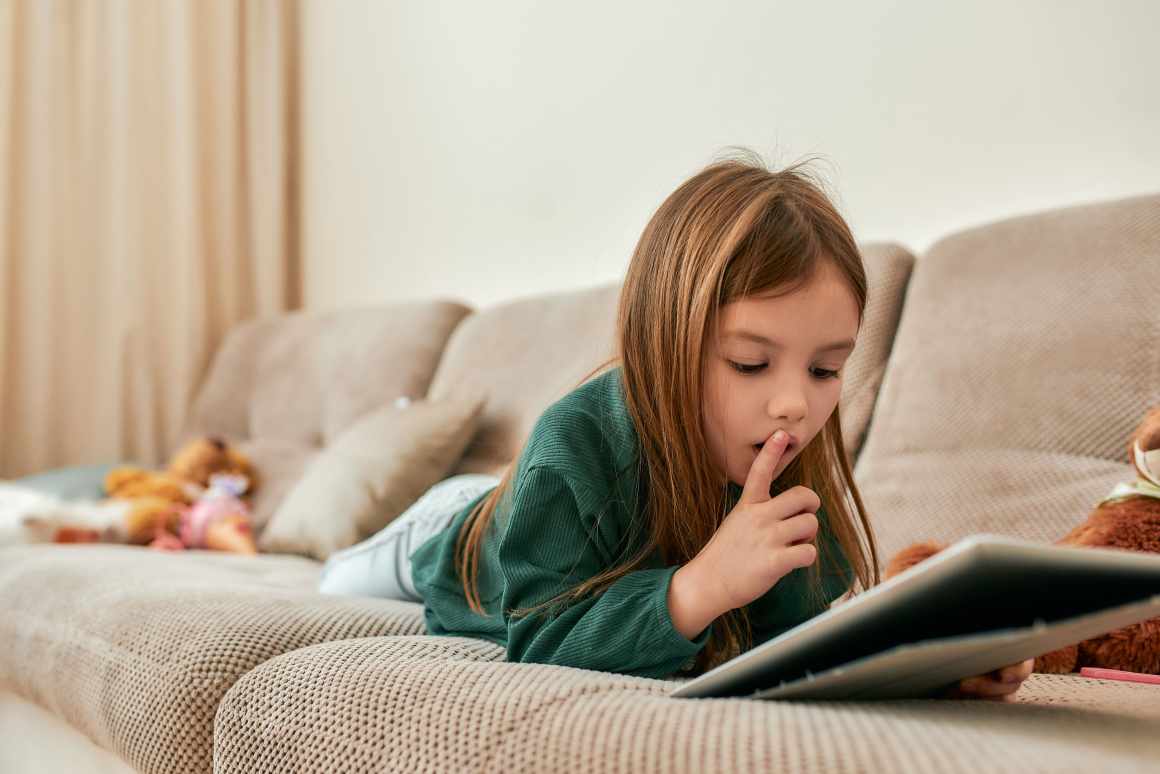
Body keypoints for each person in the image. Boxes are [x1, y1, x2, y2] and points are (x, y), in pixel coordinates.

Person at [318, 148, 1034, 699]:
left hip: (535, 509)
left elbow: (794, 639)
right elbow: (537, 636)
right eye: (751, 363)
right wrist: (697, 588)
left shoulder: (785, 457)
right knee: (343, 581)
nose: (795, 403)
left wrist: (941, 664)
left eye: (824, 370)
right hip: (463, 531)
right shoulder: (574, 445)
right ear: (666, 347)